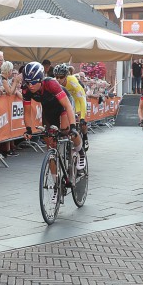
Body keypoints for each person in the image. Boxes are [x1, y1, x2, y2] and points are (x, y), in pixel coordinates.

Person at [20, 61, 85, 206]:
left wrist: (73, 126)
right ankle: (57, 185)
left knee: (67, 131)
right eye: (28, 82)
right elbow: (27, 111)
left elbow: (67, 105)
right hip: (48, 111)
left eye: (33, 82)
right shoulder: (25, 88)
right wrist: (29, 129)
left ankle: (80, 152)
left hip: (63, 105)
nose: (30, 86)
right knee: (50, 146)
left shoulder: (51, 84)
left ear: (41, 79)